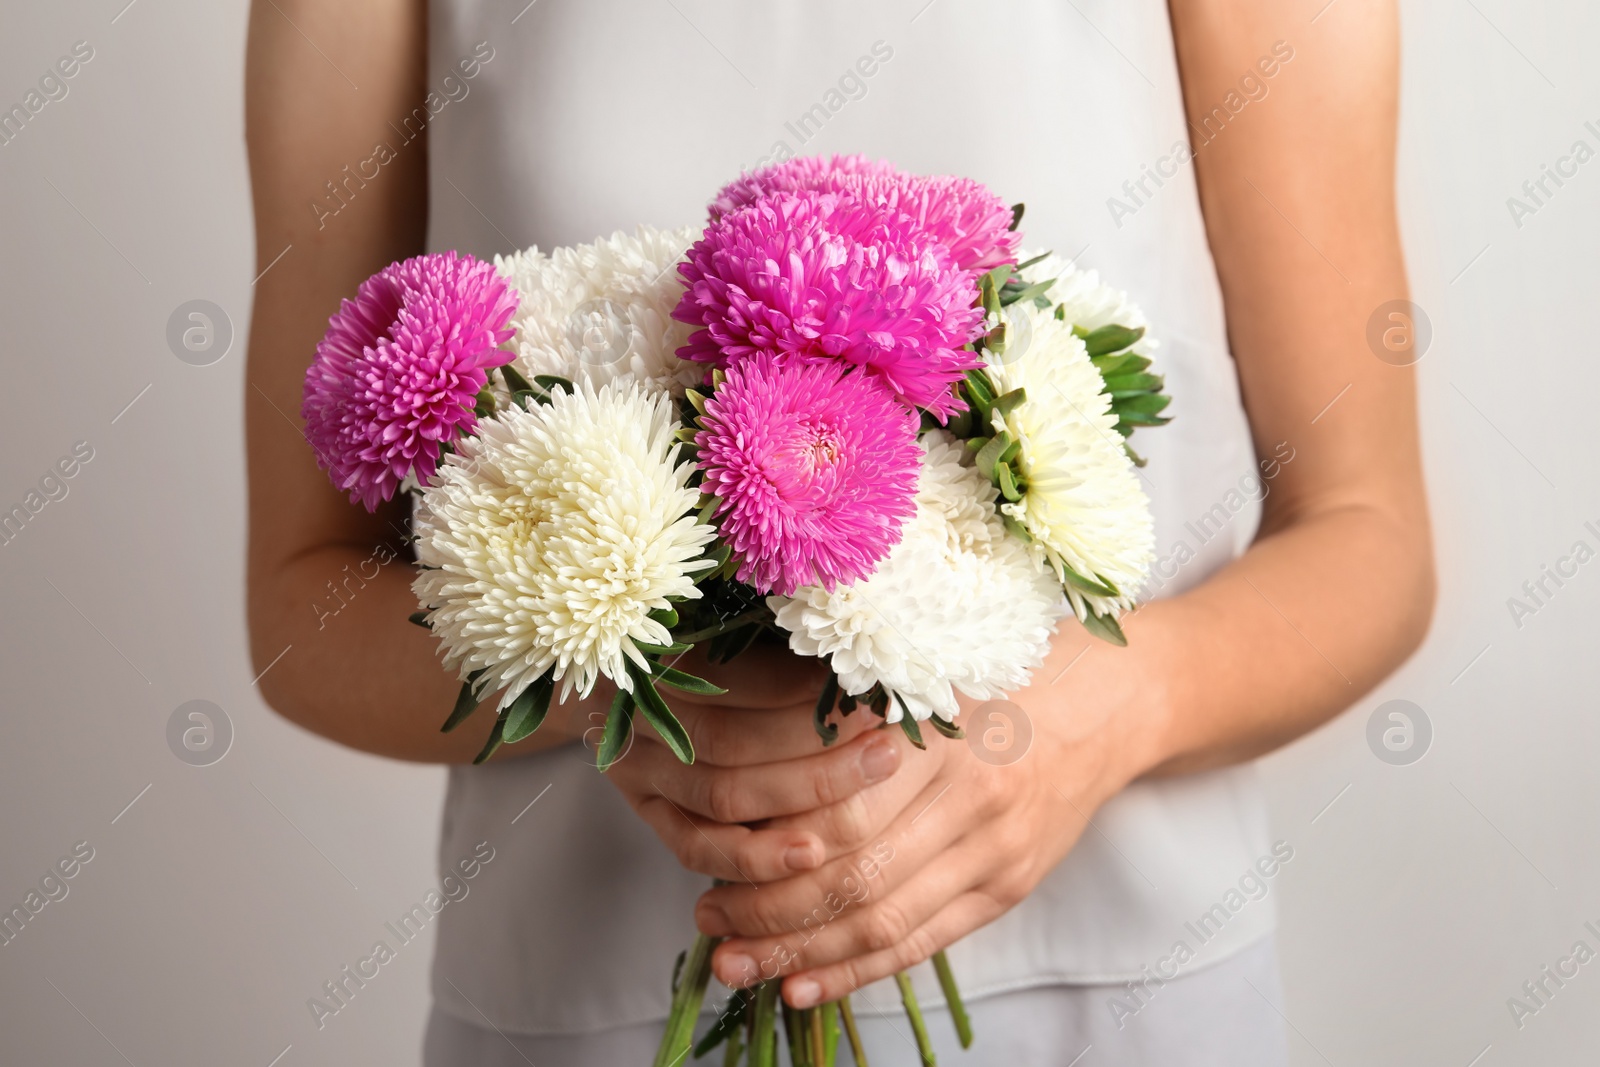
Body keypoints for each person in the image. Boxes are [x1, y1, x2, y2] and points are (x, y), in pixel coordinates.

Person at [244, 1, 1433, 1062]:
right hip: (586, 998)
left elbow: (1366, 529)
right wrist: (617, 650)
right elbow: (303, 606)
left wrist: (1102, 717)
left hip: (1111, 993)